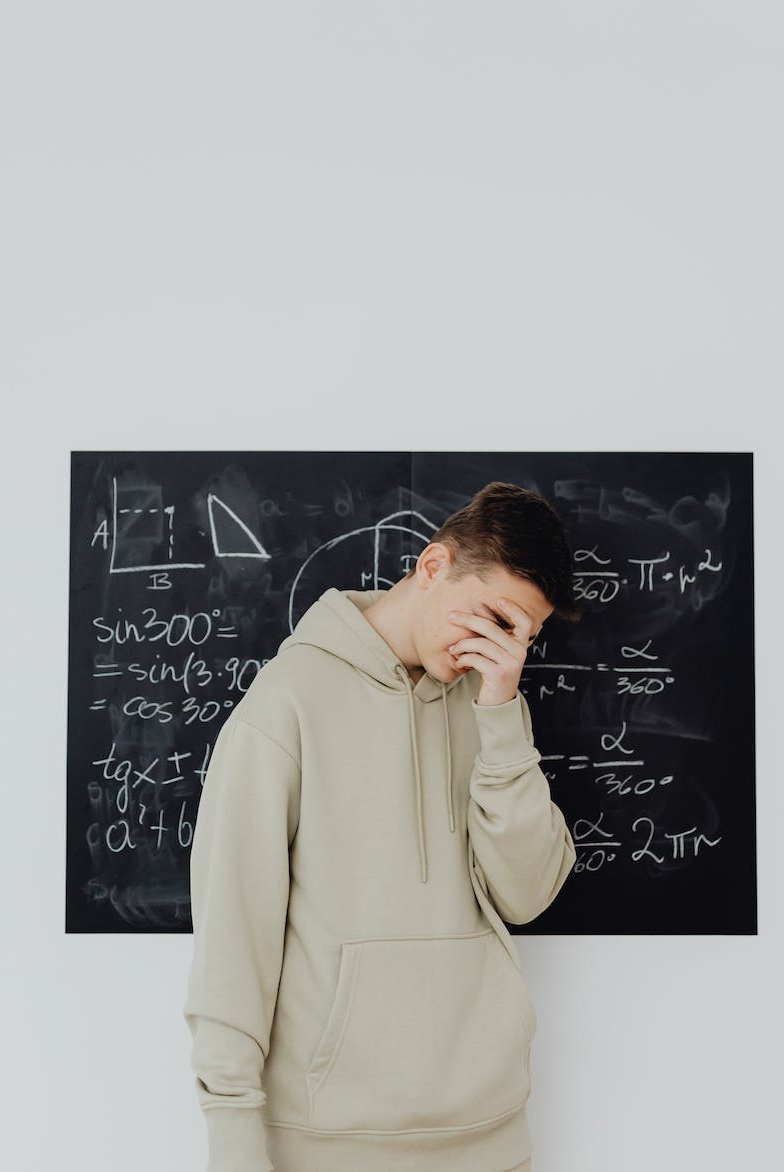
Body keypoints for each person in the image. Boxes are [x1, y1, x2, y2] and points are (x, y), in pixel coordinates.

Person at [183, 480, 582, 1172]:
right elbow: (233, 938)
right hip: (326, 1145)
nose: (504, 648)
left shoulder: (492, 702)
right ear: (433, 566)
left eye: (523, 634)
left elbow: (525, 895)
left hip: (489, 1134)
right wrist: (233, 1141)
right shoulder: (286, 704)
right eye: (494, 617)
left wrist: (500, 718)